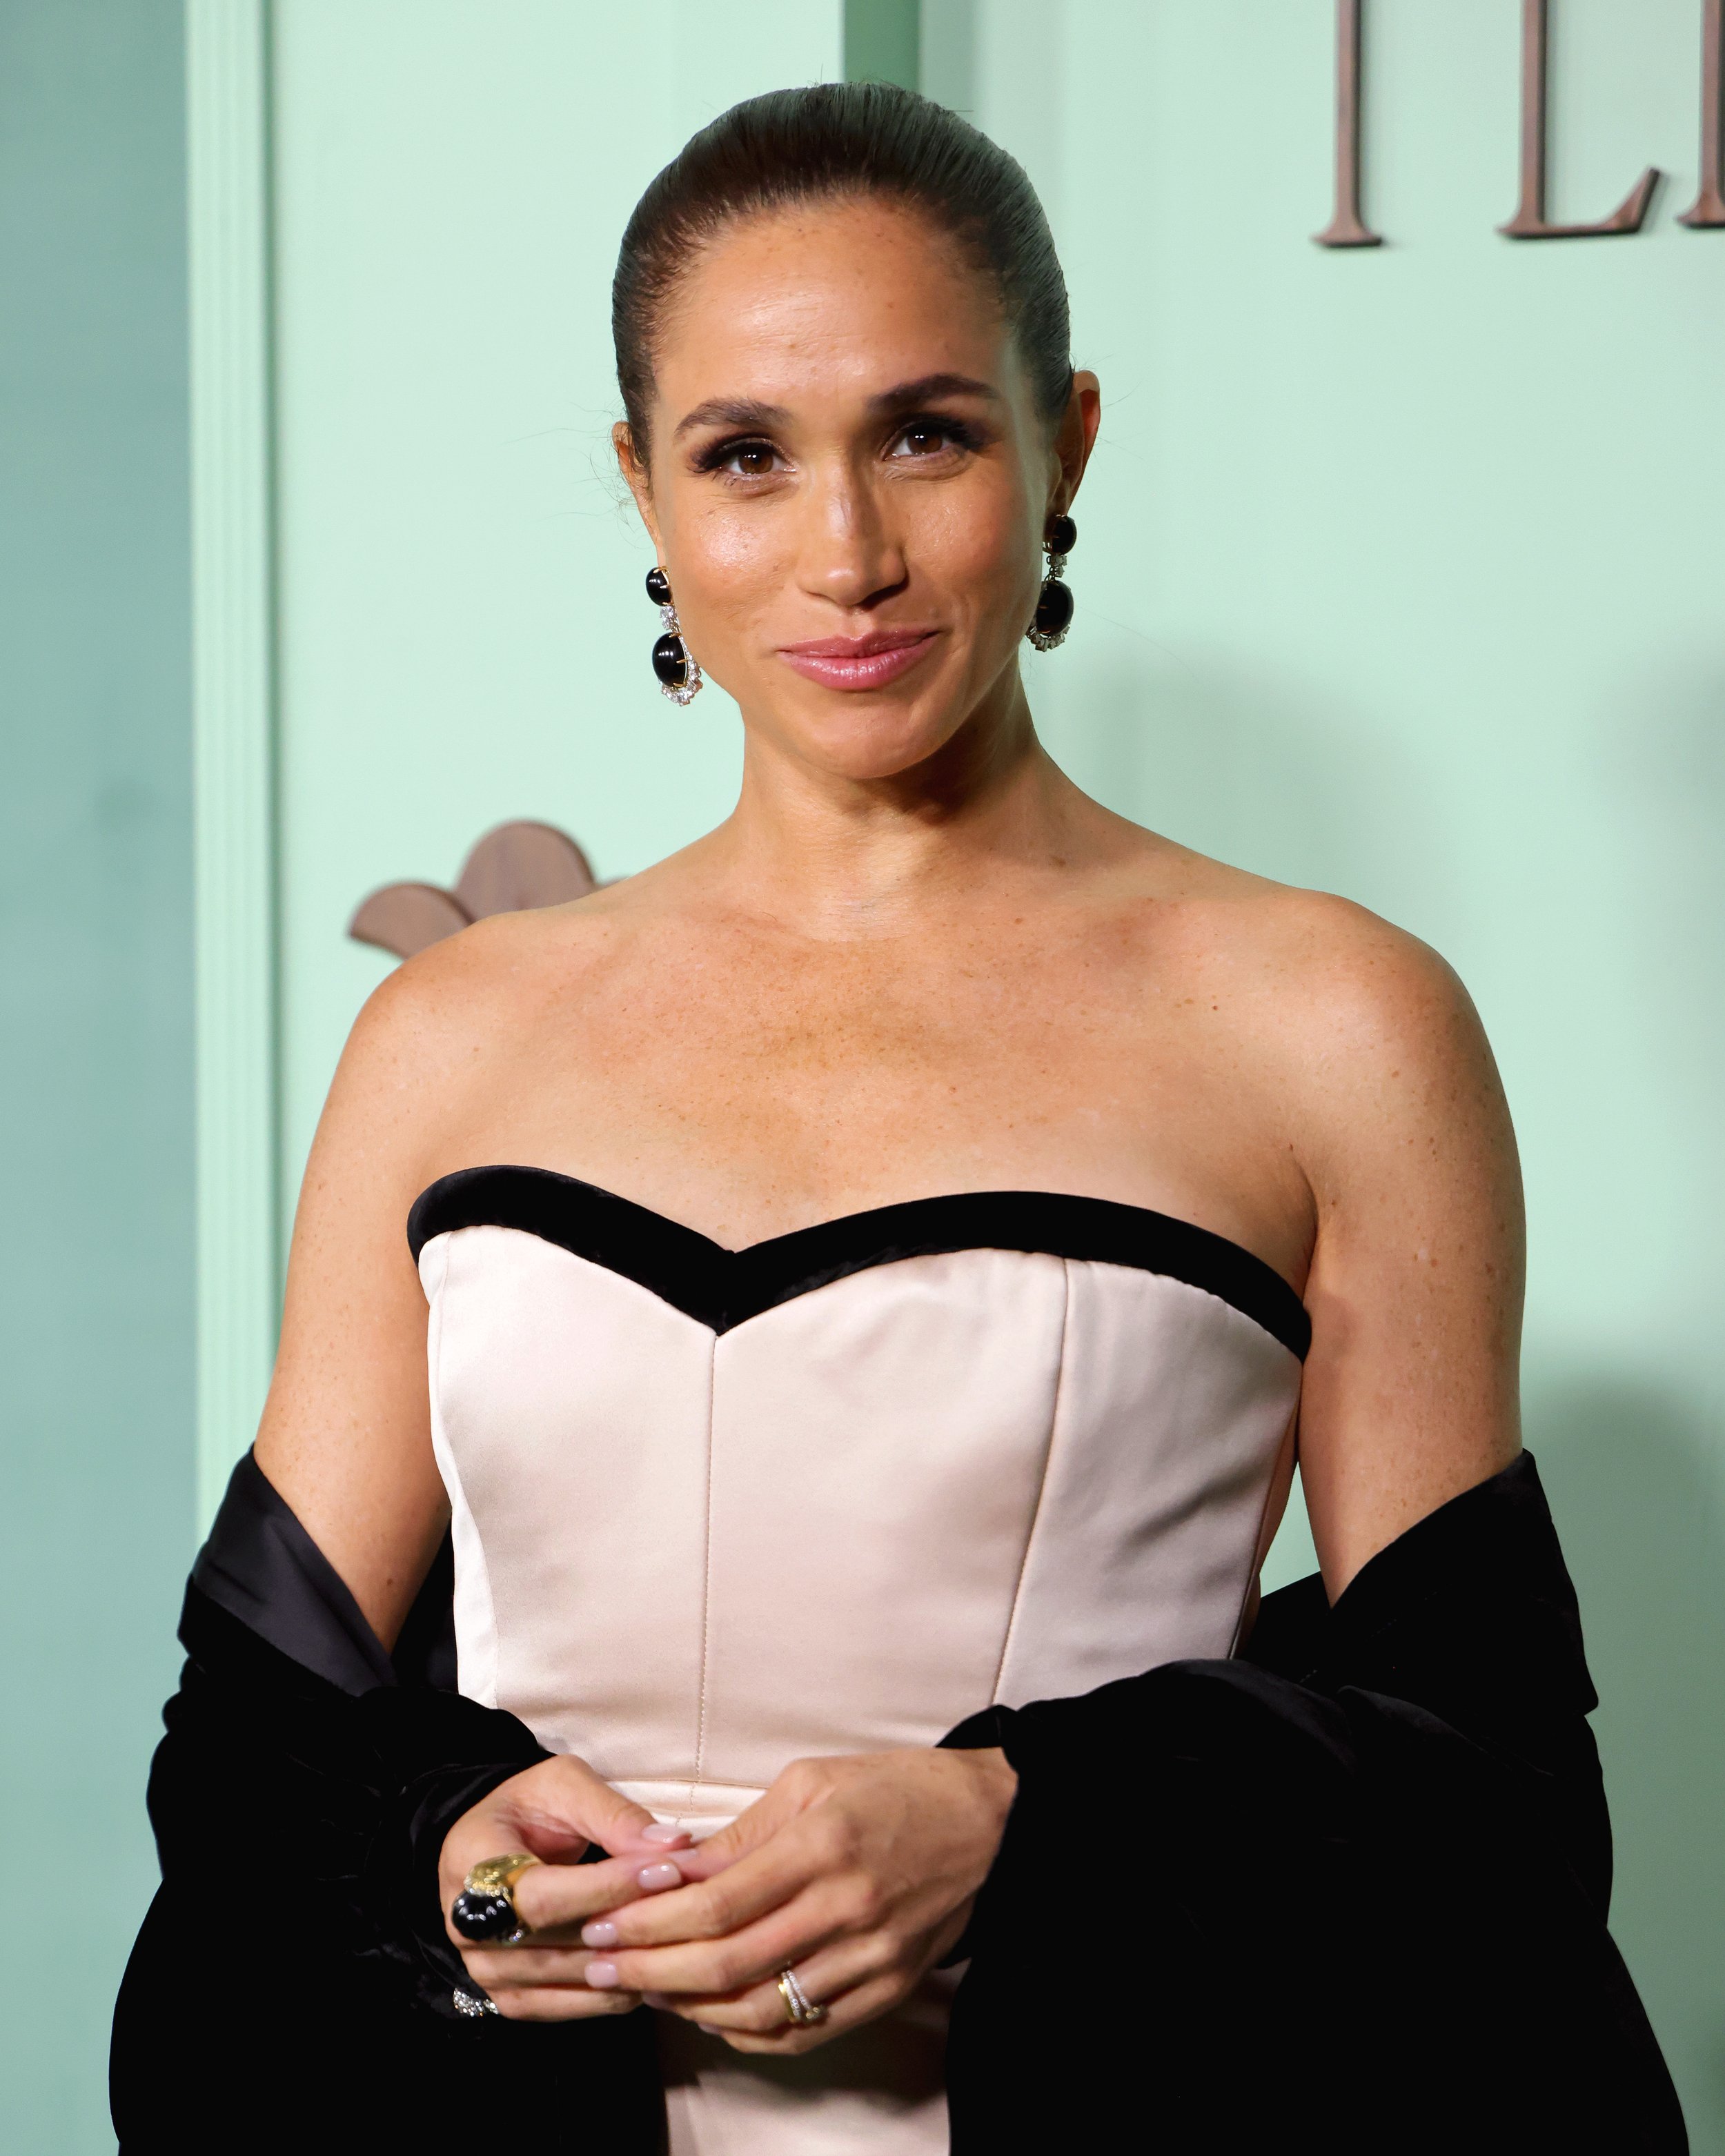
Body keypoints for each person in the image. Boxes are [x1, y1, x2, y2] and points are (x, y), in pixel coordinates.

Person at [112, 81, 1684, 2154]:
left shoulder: (1328, 1017)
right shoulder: (452, 1034)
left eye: (924, 434)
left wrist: (1020, 1820)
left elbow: (1481, 1783)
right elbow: (258, 1743)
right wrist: (462, 1881)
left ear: (1068, 446)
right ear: (643, 493)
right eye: (743, 457)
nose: (844, 556)